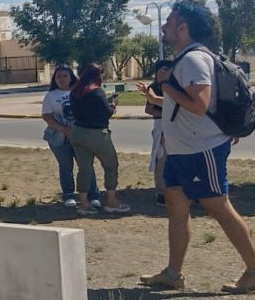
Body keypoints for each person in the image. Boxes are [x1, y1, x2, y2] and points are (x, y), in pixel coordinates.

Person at [139, 1, 255, 294]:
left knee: (218, 206)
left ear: (183, 28)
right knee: (176, 206)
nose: (164, 26)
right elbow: (183, 104)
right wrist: (162, 95)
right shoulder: (186, 58)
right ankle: (173, 273)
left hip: (201, 150)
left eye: (170, 22)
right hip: (181, 150)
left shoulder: (193, 60)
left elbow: (199, 105)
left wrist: (165, 83)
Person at [67, 64, 130, 215]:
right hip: (96, 134)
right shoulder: (97, 91)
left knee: (84, 169)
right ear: (98, 76)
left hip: (77, 132)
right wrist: (113, 105)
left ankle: (83, 203)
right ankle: (111, 201)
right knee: (110, 165)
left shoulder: (75, 92)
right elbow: (105, 113)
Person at [41, 65, 101, 209]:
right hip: (60, 137)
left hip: (81, 134)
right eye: (58, 76)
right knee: (66, 166)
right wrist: (63, 129)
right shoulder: (51, 96)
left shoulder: (80, 92)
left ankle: (93, 195)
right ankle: (68, 195)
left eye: (65, 76)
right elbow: (47, 116)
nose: (61, 79)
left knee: (85, 165)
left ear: (71, 77)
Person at [138, 61, 174, 205]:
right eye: (162, 70)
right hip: (161, 125)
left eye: (168, 70)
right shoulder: (154, 87)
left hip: (177, 126)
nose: (165, 73)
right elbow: (149, 109)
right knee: (161, 158)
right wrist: (165, 110)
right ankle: (161, 192)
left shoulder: (176, 86)